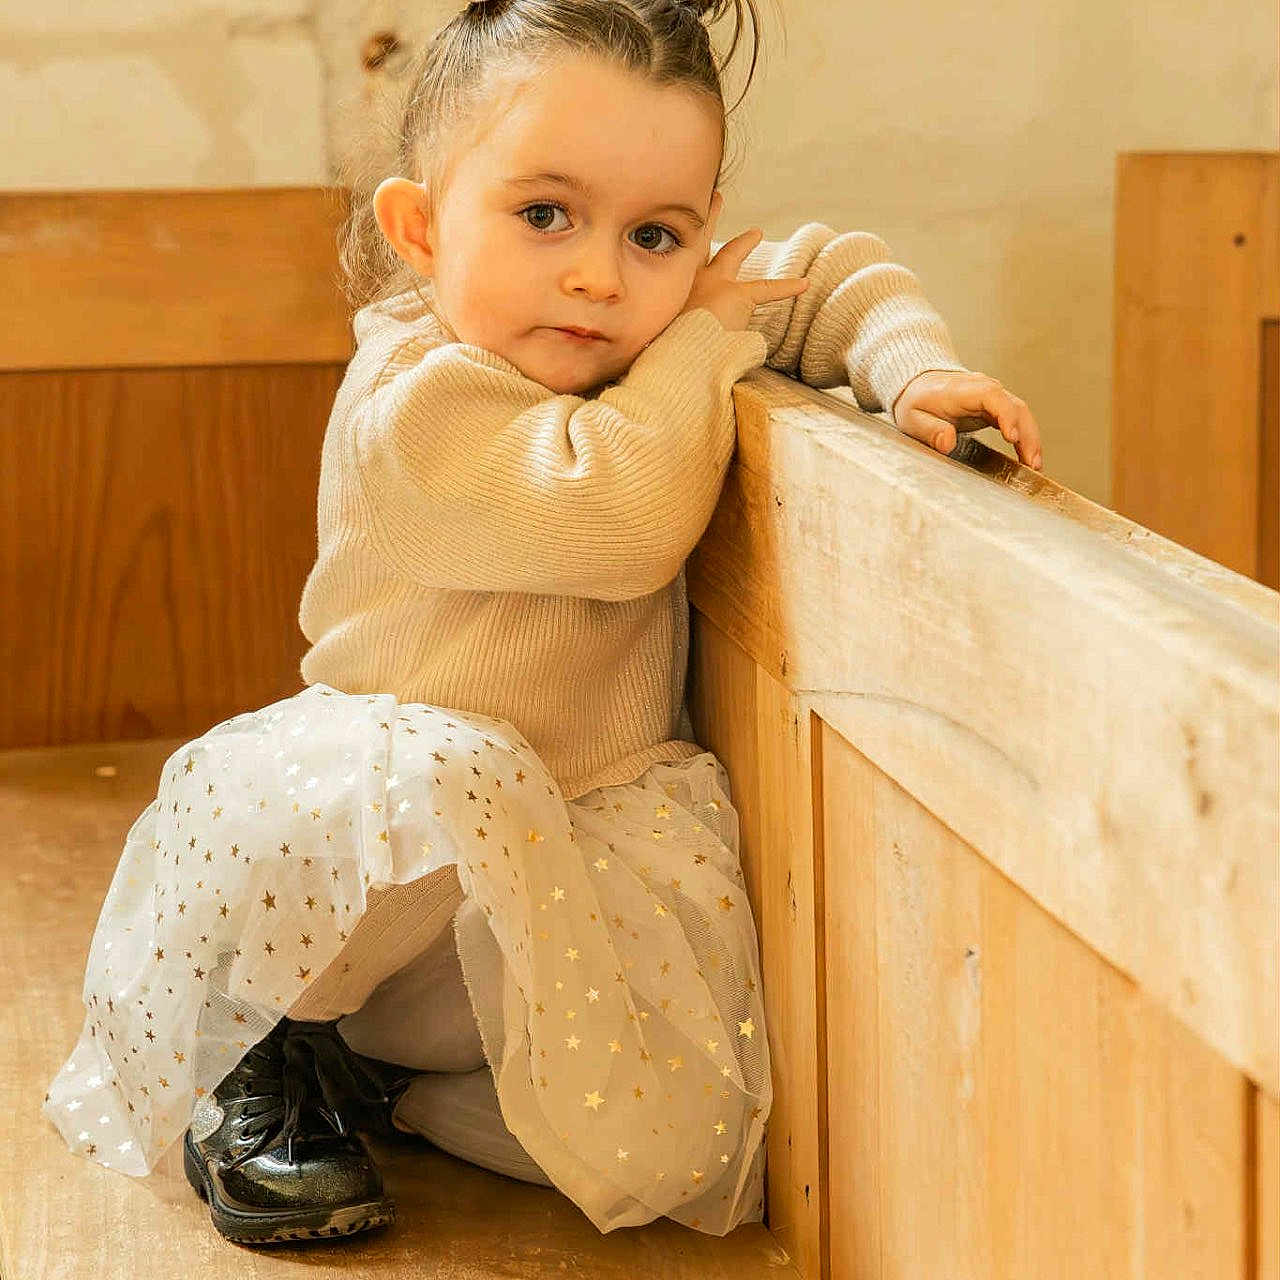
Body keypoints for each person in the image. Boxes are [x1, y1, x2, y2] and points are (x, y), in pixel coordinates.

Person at [42, 0, 1044, 1250]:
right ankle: (263, 1048)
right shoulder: (412, 405)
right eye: (543, 215)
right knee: (439, 774)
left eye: (656, 233)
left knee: (656, 1137)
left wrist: (909, 366)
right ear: (419, 227)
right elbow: (613, 519)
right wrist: (702, 336)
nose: (598, 272)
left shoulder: (643, 319)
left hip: (550, 861)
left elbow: (822, 271)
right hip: (376, 873)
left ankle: (384, 1086)